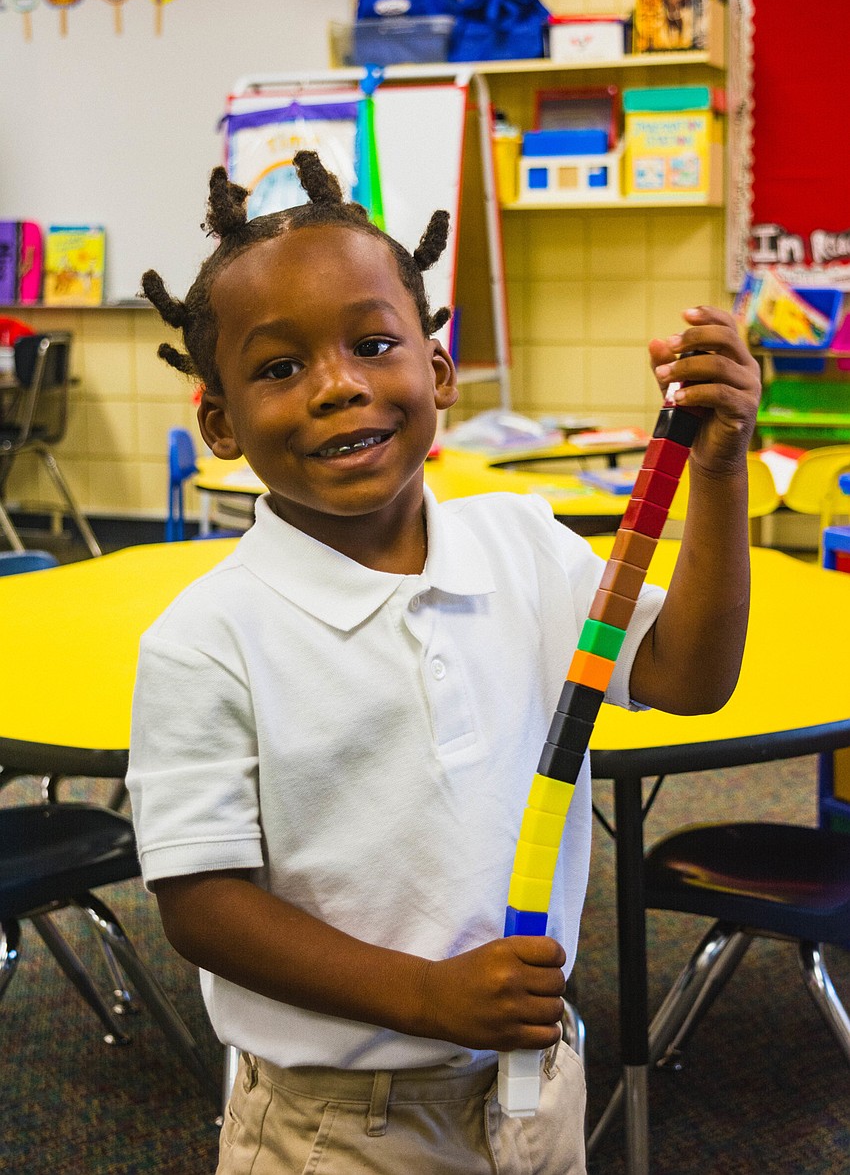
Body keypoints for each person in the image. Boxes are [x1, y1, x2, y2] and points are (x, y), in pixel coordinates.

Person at [127, 150, 761, 1175]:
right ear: (219, 422)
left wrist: (720, 472)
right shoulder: (208, 637)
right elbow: (203, 904)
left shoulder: (525, 544)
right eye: (280, 368)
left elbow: (687, 678)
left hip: (533, 1083)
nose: (338, 387)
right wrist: (424, 995)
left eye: (374, 344)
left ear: (436, 368)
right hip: (334, 1124)